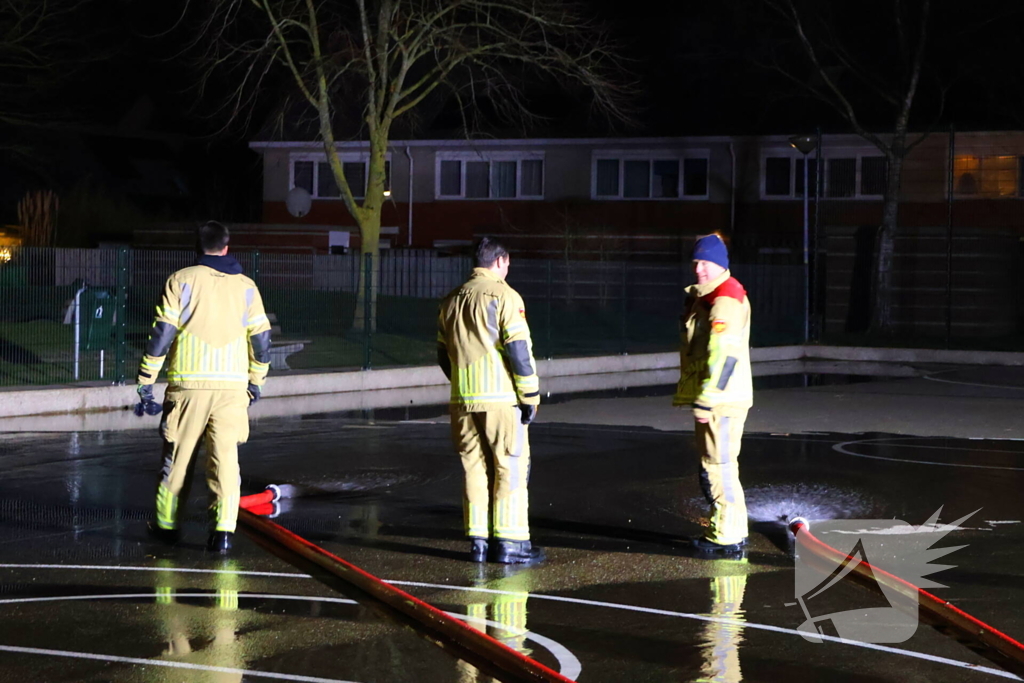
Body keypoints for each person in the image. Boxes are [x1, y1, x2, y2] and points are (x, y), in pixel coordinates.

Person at [135, 221, 272, 553]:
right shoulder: (247, 287)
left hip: (188, 387)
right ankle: (223, 532)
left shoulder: (180, 281)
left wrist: (146, 381)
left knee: (178, 460)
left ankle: (167, 528)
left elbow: (162, 335)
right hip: (232, 389)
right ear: (227, 247)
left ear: (197, 247)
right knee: (225, 460)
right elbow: (262, 339)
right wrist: (256, 380)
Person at [437, 237, 544, 565]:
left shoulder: (451, 300)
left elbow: (444, 355)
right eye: (507, 264)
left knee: (474, 468)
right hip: (500, 400)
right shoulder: (504, 295)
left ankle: (479, 542)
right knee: (509, 467)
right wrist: (530, 395)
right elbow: (518, 351)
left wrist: (462, 385)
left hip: (462, 400)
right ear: (501, 261)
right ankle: (511, 545)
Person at [673, 233, 753, 553]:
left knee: (718, 467)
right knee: (718, 463)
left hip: (721, 400)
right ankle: (732, 529)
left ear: (720, 264)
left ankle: (727, 537)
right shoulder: (711, 296)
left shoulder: (723, 299)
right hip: (720, 397)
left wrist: (708, 397)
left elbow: (726, 354)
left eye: (705, 263)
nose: (699, 269)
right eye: (696, 262)